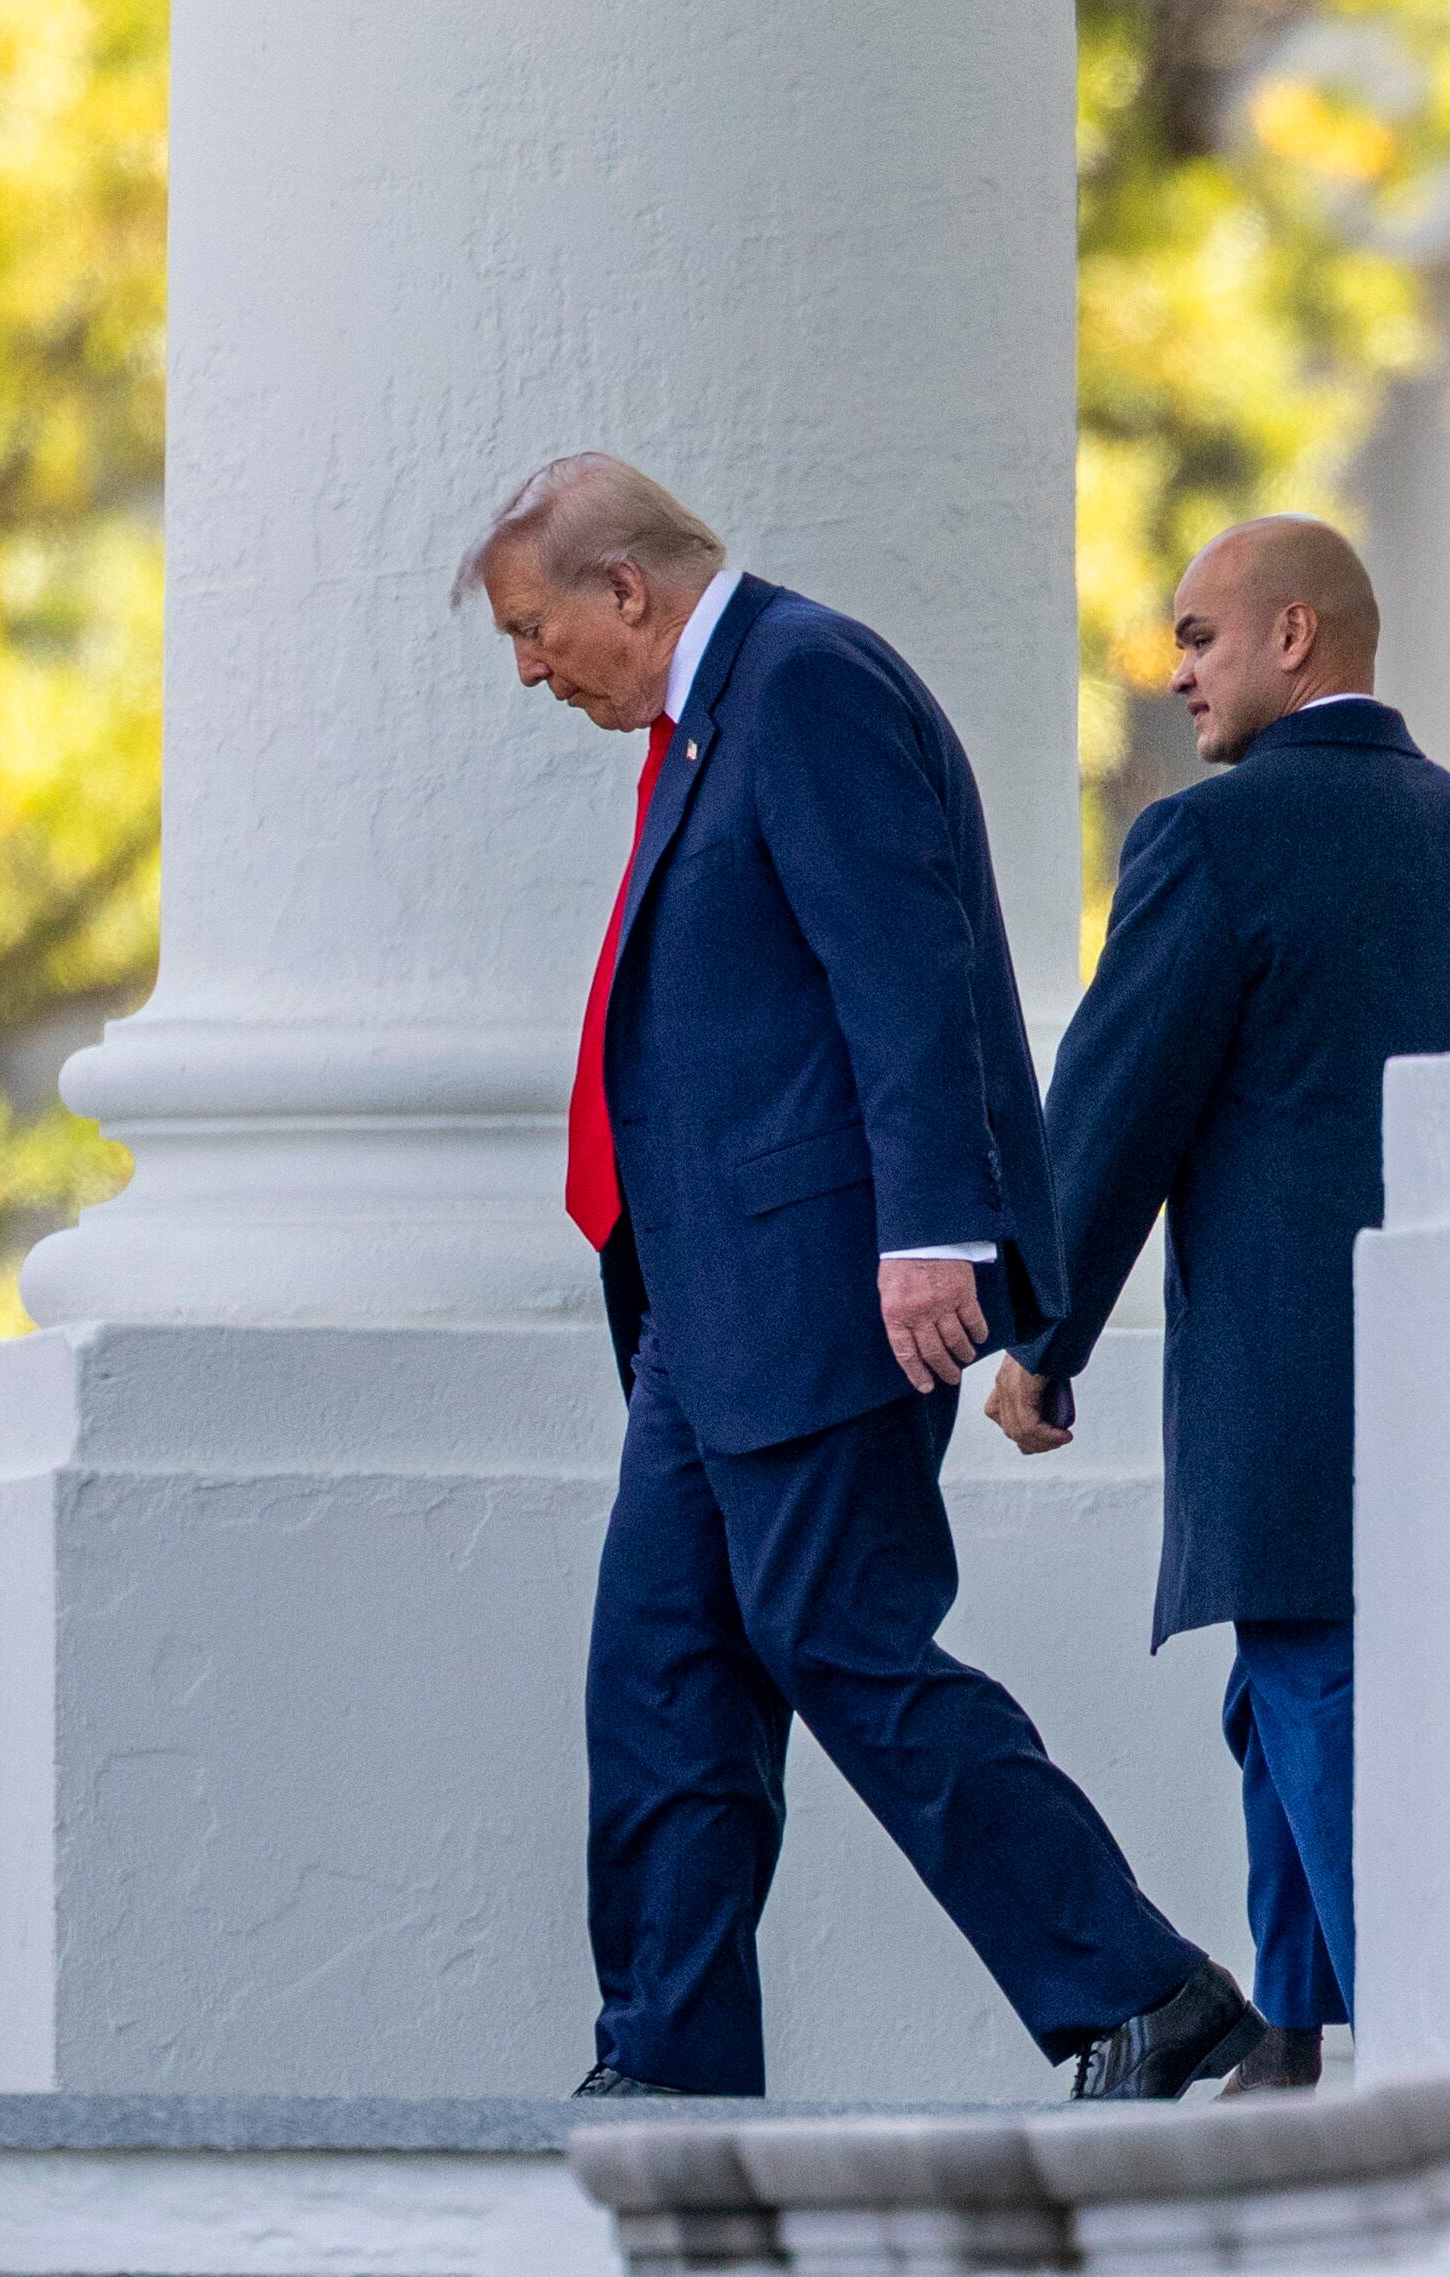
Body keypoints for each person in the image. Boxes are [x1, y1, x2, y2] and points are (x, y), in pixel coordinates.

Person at [457, 452, 1255, 2102]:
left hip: (822, 1285)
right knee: (660, 1672)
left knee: (846, 1641)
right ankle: (668, 2063)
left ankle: (1144, 1990)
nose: (530, 669)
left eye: (537, 630)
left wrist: (929, 1236)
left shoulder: (803, 679)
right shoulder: (715, 710)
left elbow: (907, 966)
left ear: (628, 590)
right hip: (709, 1306)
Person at [986, 516, 1450, 2093]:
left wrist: (1040, 1336)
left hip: (1287, 1364)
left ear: (1293, 636)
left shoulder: (1206, 840)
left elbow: (1116, 1102)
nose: (1173, 673)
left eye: (1197, 637)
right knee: (1286, 1684)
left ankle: (1405, 2047)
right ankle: (1292, 2029)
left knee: (1311, 1677)